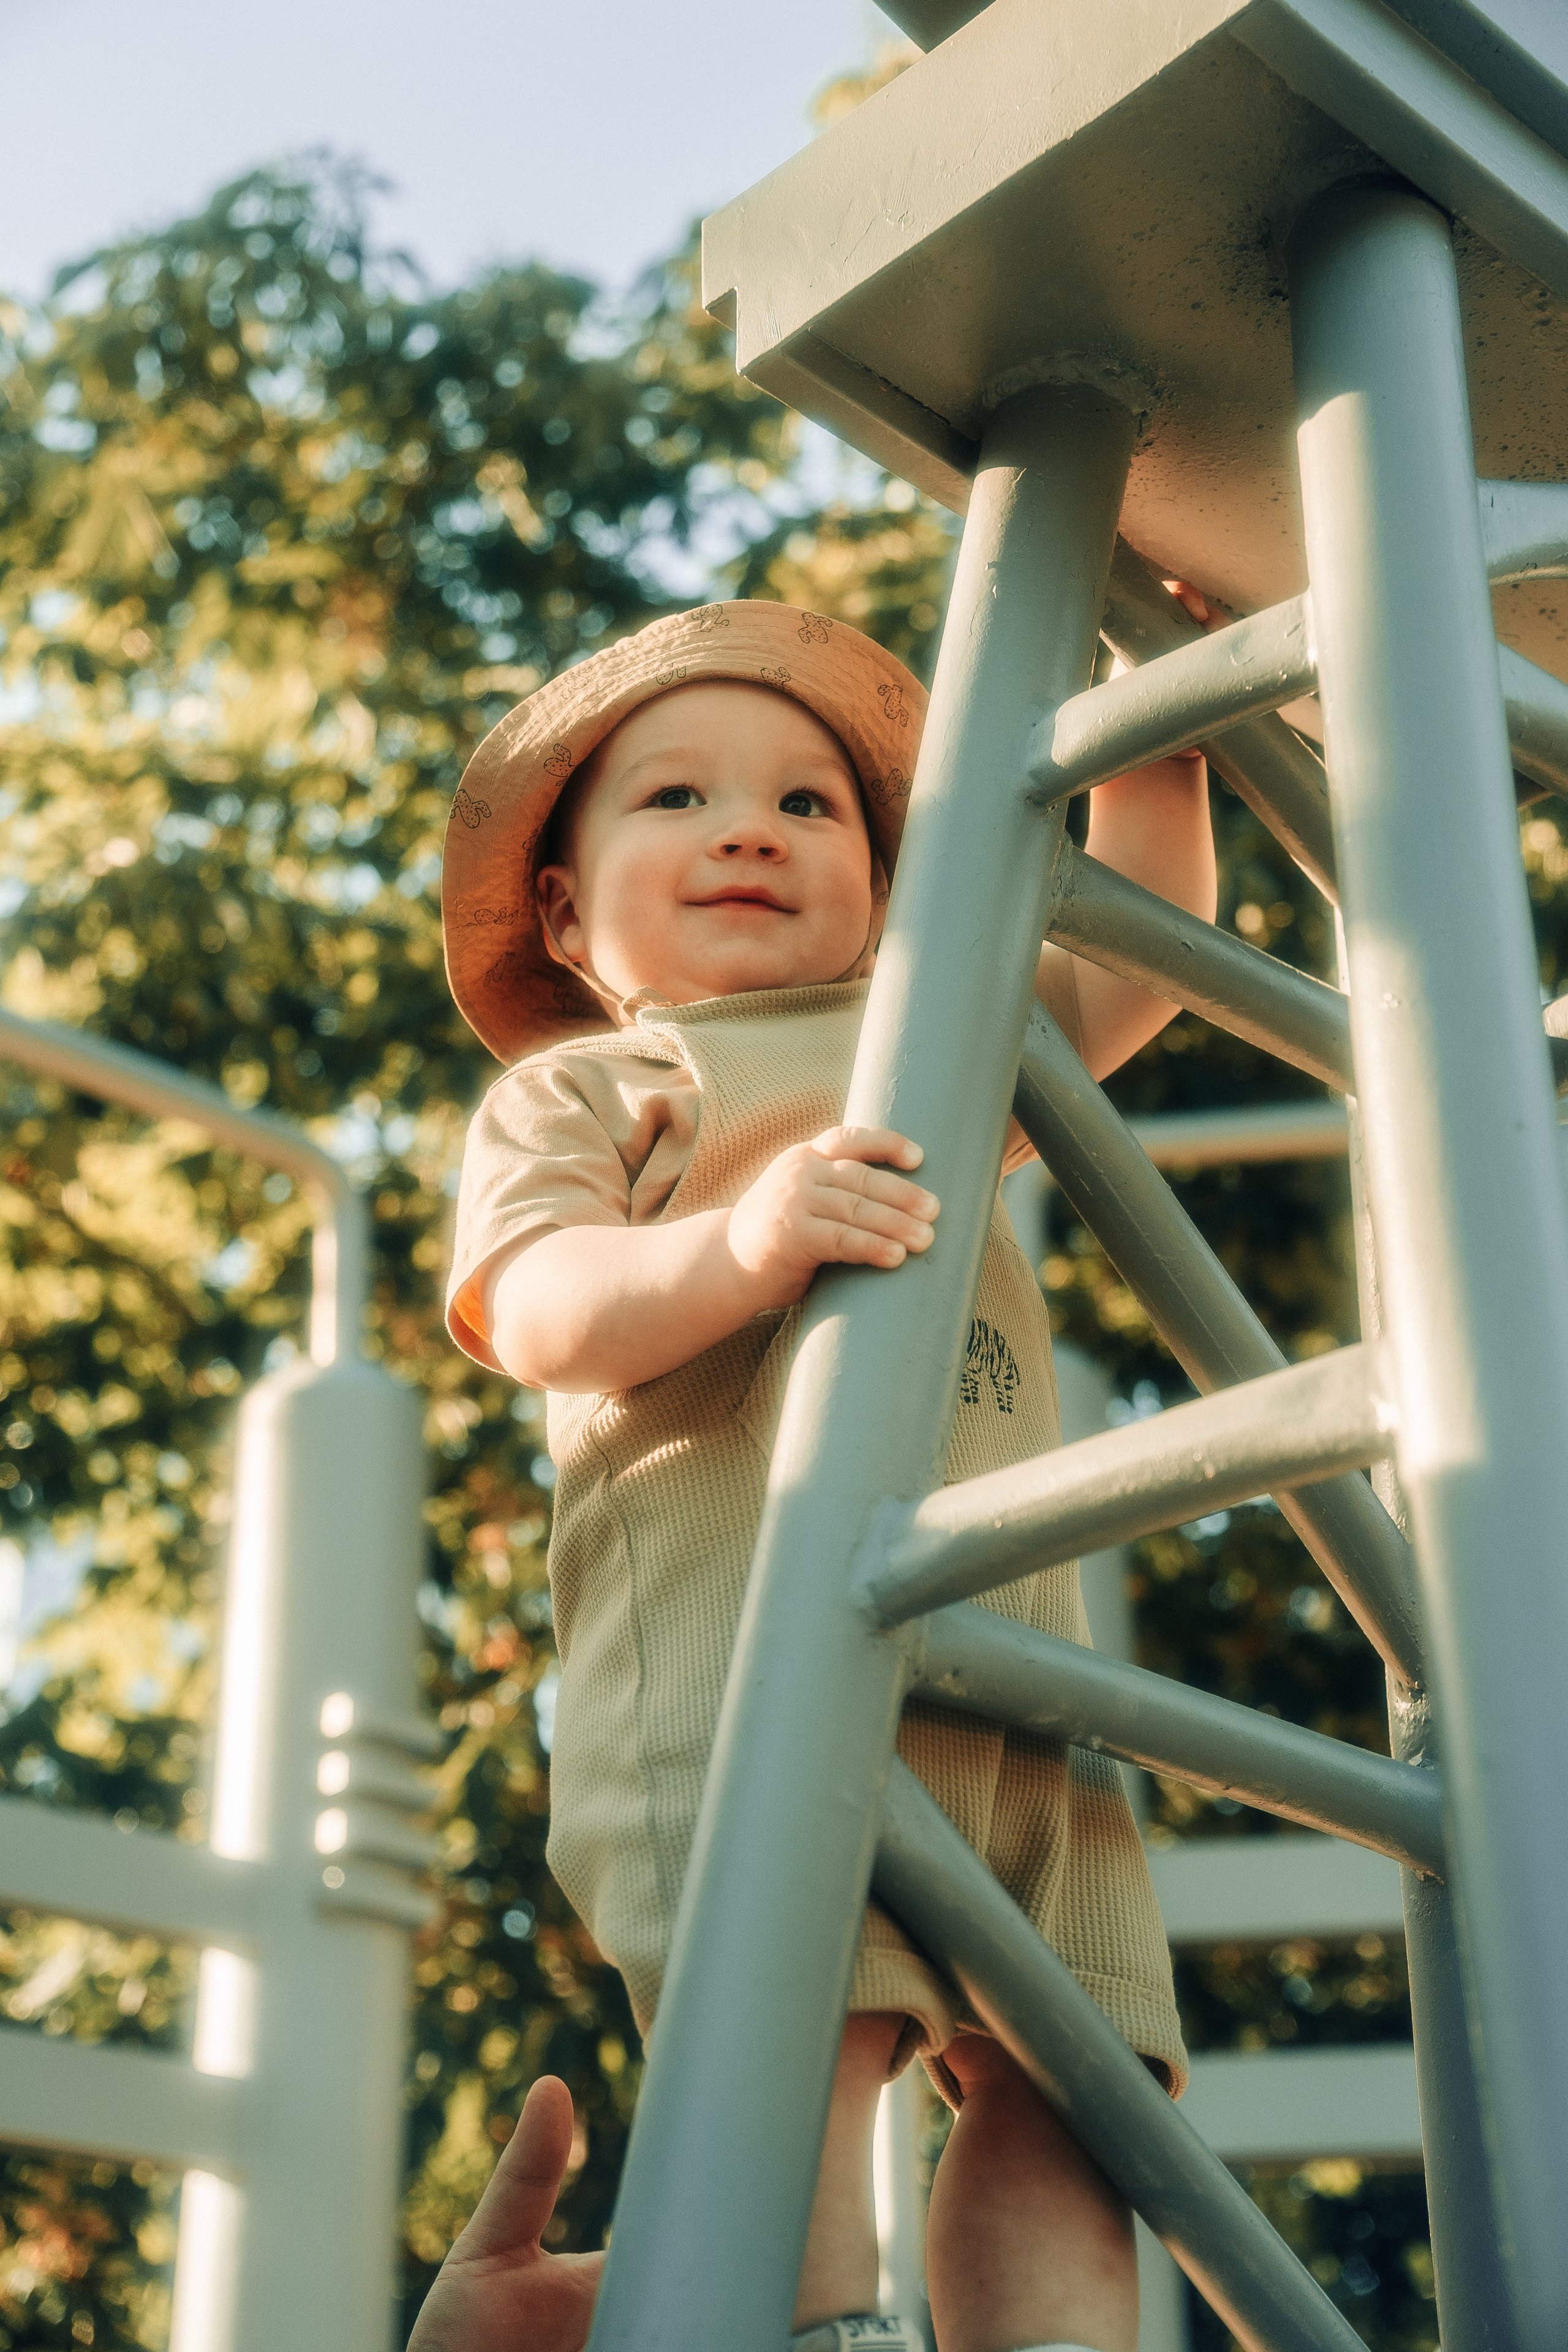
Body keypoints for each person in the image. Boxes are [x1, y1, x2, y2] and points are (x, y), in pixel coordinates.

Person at [441, 595, 1217, 2352]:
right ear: (563, 909)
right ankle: (799, 2329)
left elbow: (1142, 948)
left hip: (1010, 1681)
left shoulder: (939, 1043)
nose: (748, 828)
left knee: (1084, 2080)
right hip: (745, 1662)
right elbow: (544, 1306)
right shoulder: (594, 1088)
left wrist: (1154, 727)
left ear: (881, 877)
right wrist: (744, 1248)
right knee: (801, 2041)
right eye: (676, 799)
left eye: (812, 806)